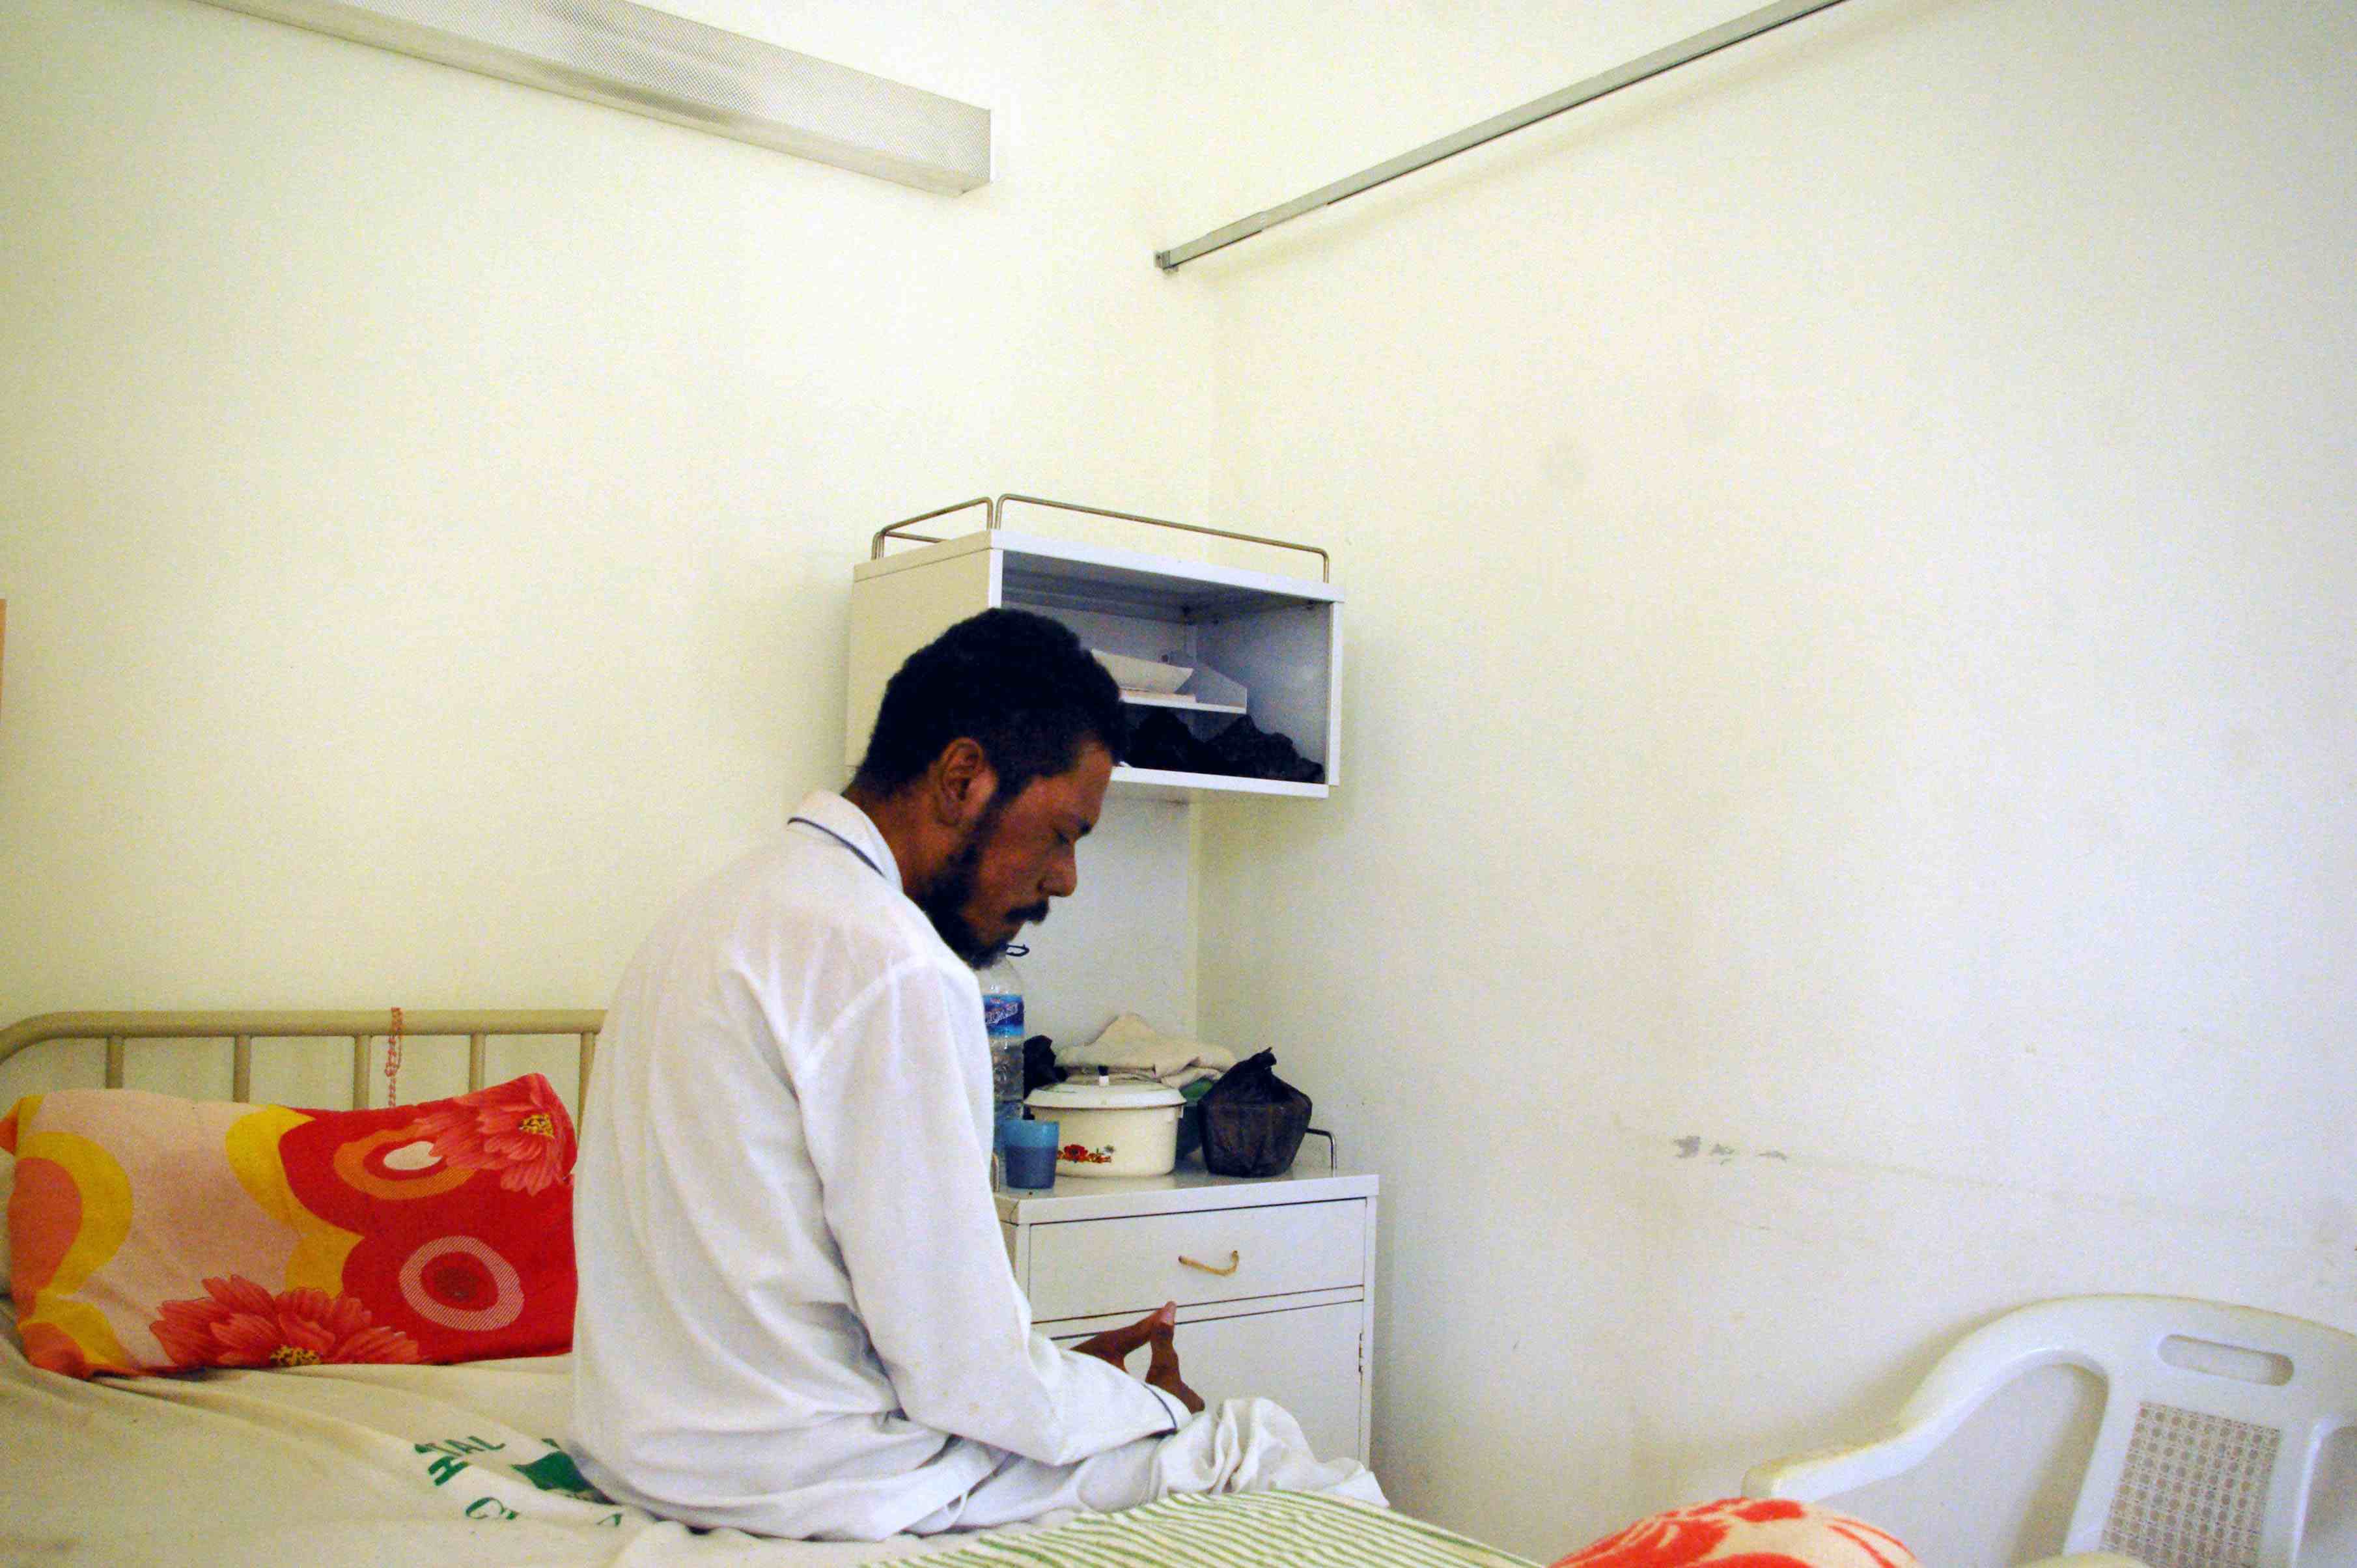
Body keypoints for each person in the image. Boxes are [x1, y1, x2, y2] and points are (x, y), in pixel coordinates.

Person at [570, 608, 1381, 1540]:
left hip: (648, 1454)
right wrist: (1154, 1413)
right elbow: (962, 1374)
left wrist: (1045, 1372)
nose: (1068, 879)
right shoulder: (894, 964)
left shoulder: (713, 914)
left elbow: (824, 1289)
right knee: (1249, 1446)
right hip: (816, 1476)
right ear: (964, 778)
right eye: (1064, 833)